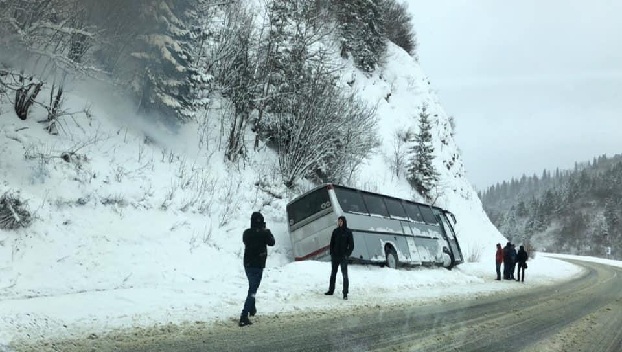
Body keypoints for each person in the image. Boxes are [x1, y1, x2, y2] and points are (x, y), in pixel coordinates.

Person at [239, 211, 275, 327]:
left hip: (248, 264)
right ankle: (244, 315)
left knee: (252, 286)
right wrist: (266, 231)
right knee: (253, 290)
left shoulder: (247, 233)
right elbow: (272, 242)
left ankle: (252, 308)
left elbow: (246, 241)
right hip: (258, 264)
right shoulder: (264, 233)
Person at [325, 216, 354, 300]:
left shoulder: (348, 232)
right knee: (333, 274)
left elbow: (351, 245)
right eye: (339, 221)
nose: (339, 223)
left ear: (344, 222)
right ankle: (331, 290)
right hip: (335, 256)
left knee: (344, 275)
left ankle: (345, 293)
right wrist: (332, 253)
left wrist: (347, 254)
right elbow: (332, 243)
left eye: (341, 221)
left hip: (343, 257)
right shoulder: (335, 231)